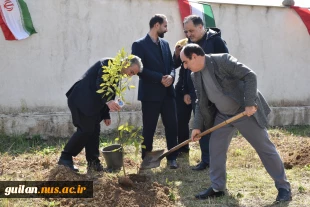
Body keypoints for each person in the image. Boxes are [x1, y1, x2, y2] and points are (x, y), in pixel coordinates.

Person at [180, 44, 292, 202]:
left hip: (243, 112)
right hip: (223, 115)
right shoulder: (195, 76)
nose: (184, 66)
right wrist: (197, 126)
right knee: (215, 148)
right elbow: (200, 102)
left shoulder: (223, 61)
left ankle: (283, 187)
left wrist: (249, 102)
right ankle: (218, 187)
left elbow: (249, 75)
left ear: (195, 56)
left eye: (185, 62)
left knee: (265, 148)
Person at [58, 56, 143, 172]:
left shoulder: (117, 74)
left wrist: (105, 114)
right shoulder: (109, 64)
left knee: (94, 131)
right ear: (127, 63)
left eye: (134, 74)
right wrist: (108, 102)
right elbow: (100, 83)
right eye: (131, 72)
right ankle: (65, 157)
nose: (130, 75)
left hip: (92, 106)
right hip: (81, 100)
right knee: (86, 130)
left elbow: (109, 93)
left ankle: (93, 162)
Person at [173, 15, 229, 171]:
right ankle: (205, 158)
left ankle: (211, 159)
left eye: (191, 30)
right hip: (194, 92)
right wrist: (186, 91)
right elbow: (185, 71)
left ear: (200, 27)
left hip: (211, 92)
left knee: (209, 126)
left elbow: (225, 64)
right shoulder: (189, 44)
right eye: (186, 32)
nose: (189, 34)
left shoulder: (216, 41)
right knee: (199, 126)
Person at [131, 14, 179, 169]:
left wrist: (171, 76)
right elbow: (139, 70)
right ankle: (146, 158)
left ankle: (172, 158)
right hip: (150, 95)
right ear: (156, 25)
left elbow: (172, 65)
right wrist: (160, 78)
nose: (167, 29)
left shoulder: (165, 44)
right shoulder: (139, 45)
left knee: (172, 125)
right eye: (165, 26)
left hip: (168, 94)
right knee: (149, 128)